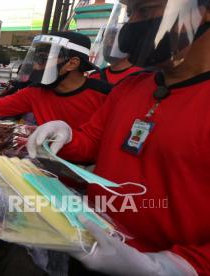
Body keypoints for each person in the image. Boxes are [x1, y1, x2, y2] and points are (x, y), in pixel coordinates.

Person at [27, 0, 210, 274]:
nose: (133, 23)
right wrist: (64, 136)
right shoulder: (130, 88)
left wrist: (169, 268)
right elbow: (90, 143)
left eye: (146, 10)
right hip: (91, 244)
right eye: (129, 12)